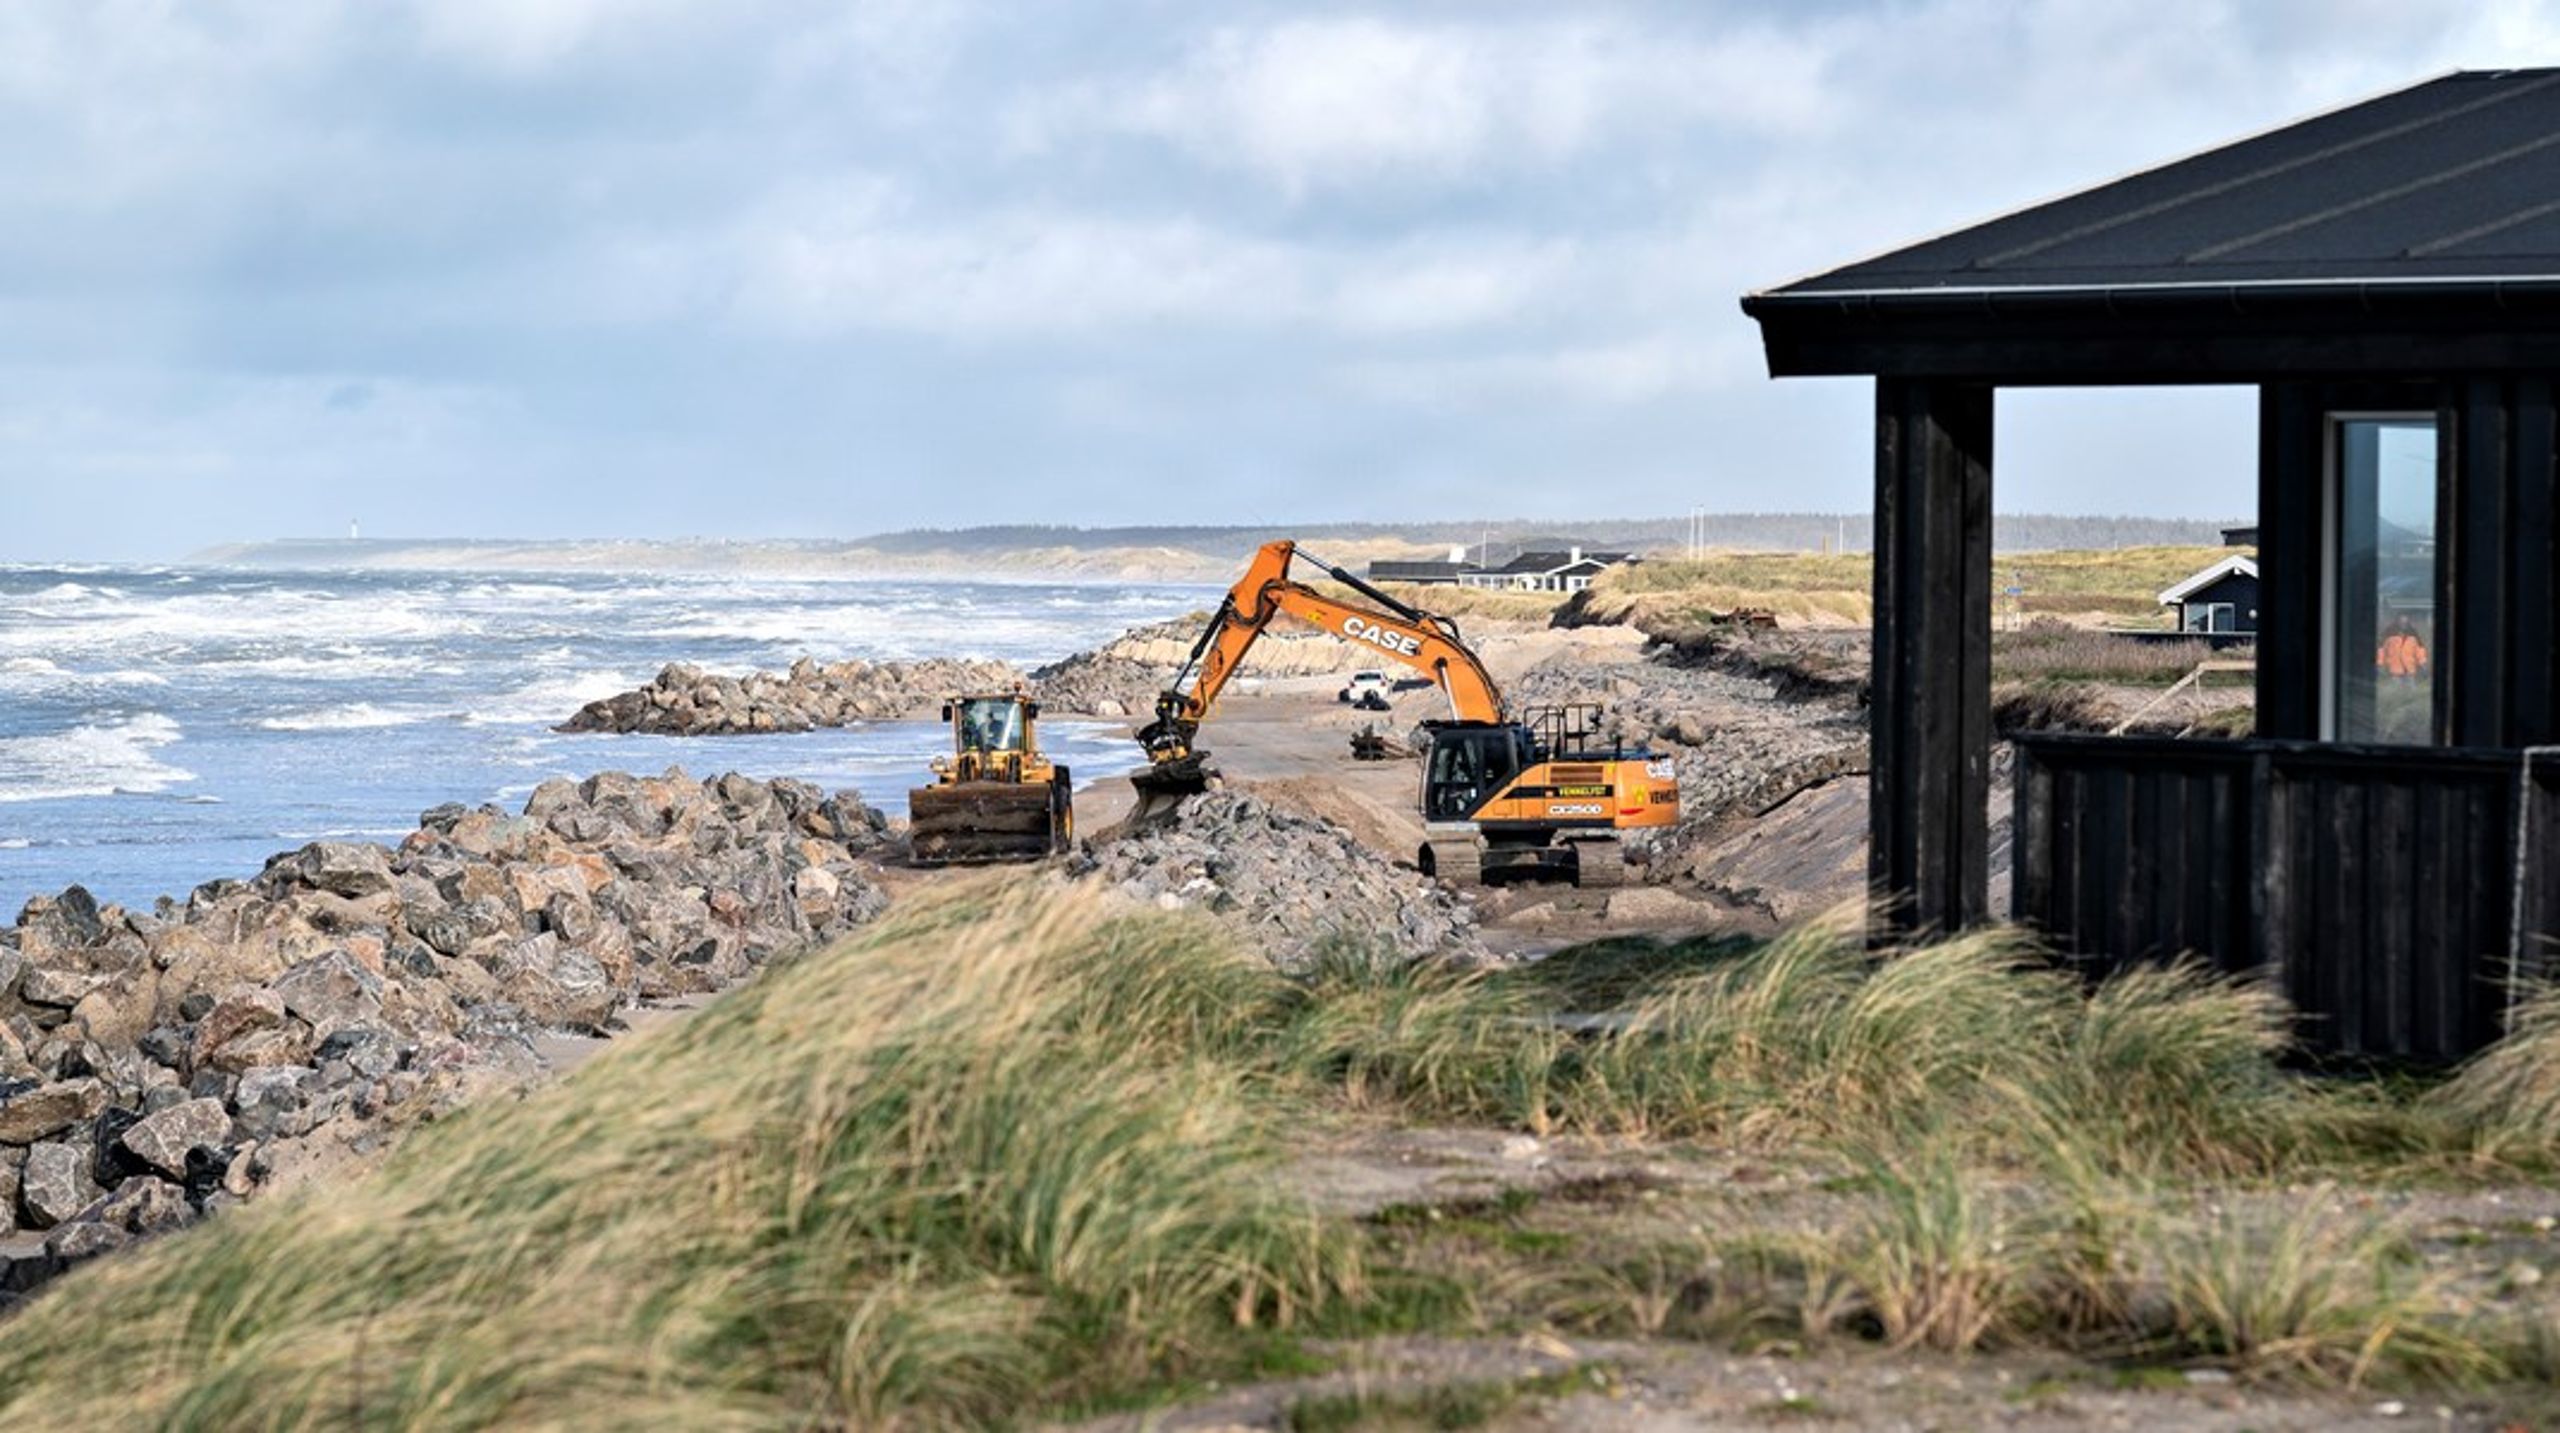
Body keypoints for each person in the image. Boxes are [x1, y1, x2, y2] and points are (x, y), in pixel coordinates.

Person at [2377, 617, 2429, 681]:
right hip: (2394, 672)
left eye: (2405, 622)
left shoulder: (2414, 636)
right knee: (2394, 690)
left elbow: (2420, 652)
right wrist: (2380, 664)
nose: (2403, 624)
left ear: (2408, 623)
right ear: (2397, 622)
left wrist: (2423, 665)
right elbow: (2381, 651)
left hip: (2410, 672)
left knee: (2411, 690)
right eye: (2401, 622)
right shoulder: (2389, 635)